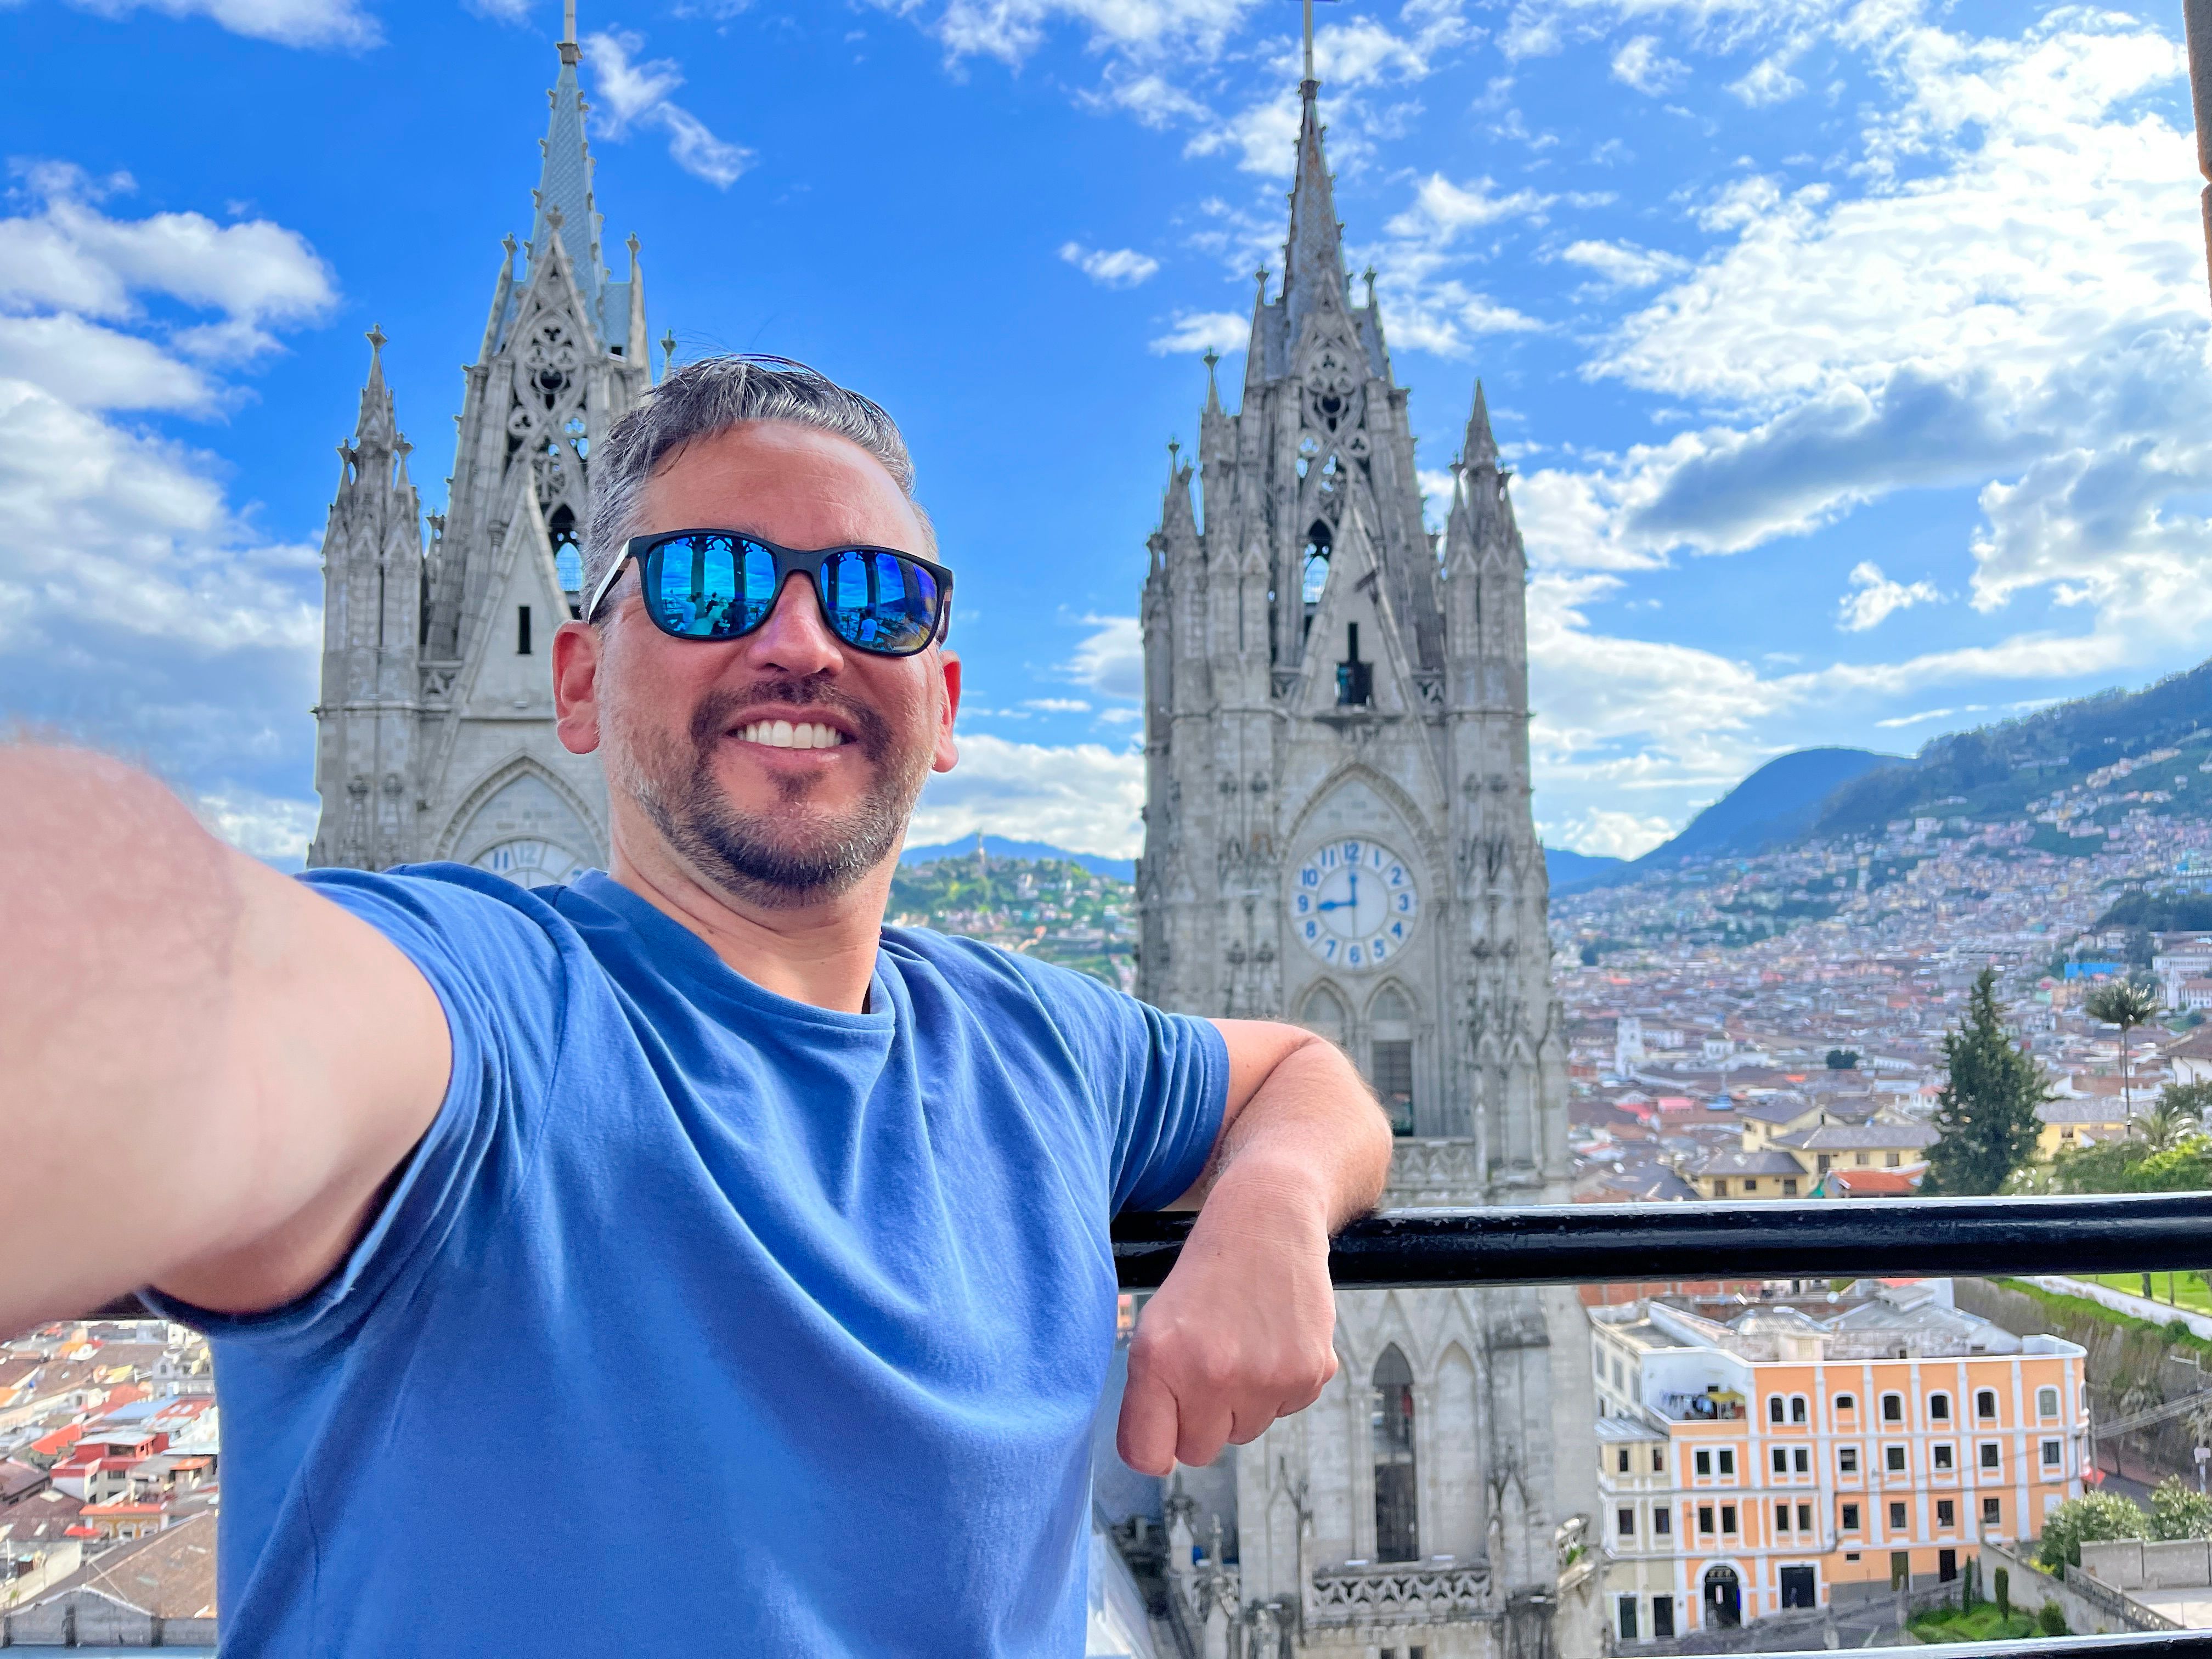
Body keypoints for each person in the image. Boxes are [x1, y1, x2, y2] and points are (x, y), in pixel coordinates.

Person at [0, 356, 1392, 1656]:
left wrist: (1270, 1208)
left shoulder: (1031, 1041)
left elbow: (1302, 1073)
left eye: (876, 596)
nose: (800, 639)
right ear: (582, 675)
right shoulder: (491, 1023)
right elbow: (186, 979)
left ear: (944, 698)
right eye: (709, 581)